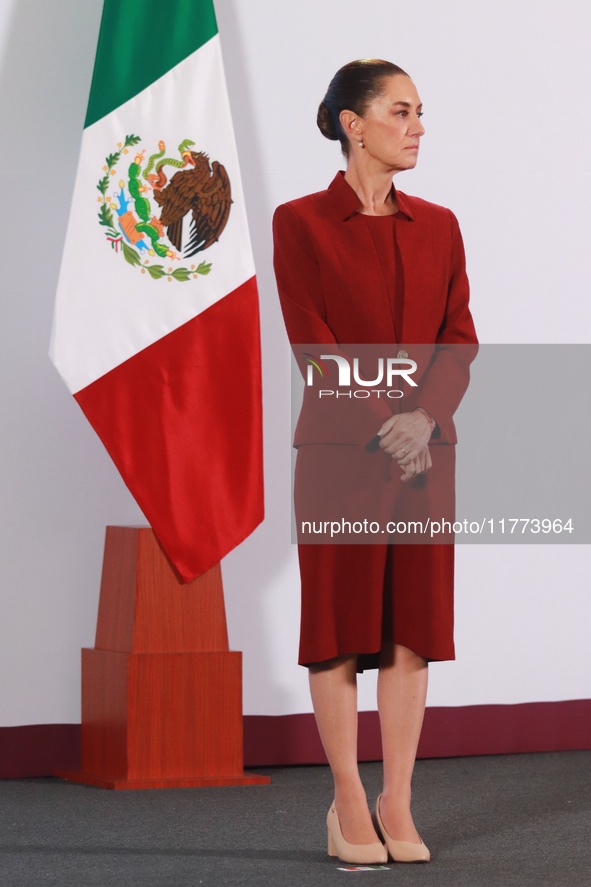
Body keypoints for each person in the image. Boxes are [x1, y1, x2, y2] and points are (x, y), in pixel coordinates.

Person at [272, 59, 477, 865]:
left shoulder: (442, 223)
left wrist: (423, 416)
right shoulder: (299, 222)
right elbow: (311, 343)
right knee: (338, 626)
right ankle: (347, 799)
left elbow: (458, 339)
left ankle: (397, 797)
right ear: (353, 124)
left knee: (410, 631)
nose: (418, 126)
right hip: (338, 453)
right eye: (401, 111)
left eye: (420, 111)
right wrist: (384, 420)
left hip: (428, 453)